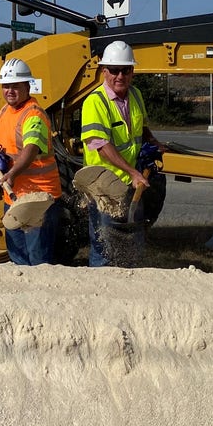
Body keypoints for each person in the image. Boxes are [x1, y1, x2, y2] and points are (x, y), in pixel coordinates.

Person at [79, 40, 167, 267]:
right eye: (114, 71)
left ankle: (130, 282)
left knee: (131, 239)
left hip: (131, 183)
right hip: (104, 186)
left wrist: (153, 142)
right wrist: (133, 172)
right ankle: (102, 286)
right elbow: (102, 146)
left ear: (132, 72)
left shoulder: (136, 95)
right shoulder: (94, 102)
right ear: (104, 71)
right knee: (105, 244)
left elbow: (142, 127)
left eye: (125, 70)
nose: (120, 76)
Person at [0, 58, 63, 265]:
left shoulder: (33, 114)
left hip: (39, 198)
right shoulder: (4, 112)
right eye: (6, 86)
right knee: (18, 256)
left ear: (27, 86)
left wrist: (11, 174)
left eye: (15, 86)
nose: (9, 90)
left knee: (38, 260)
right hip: (15, 197)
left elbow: (30, 150)